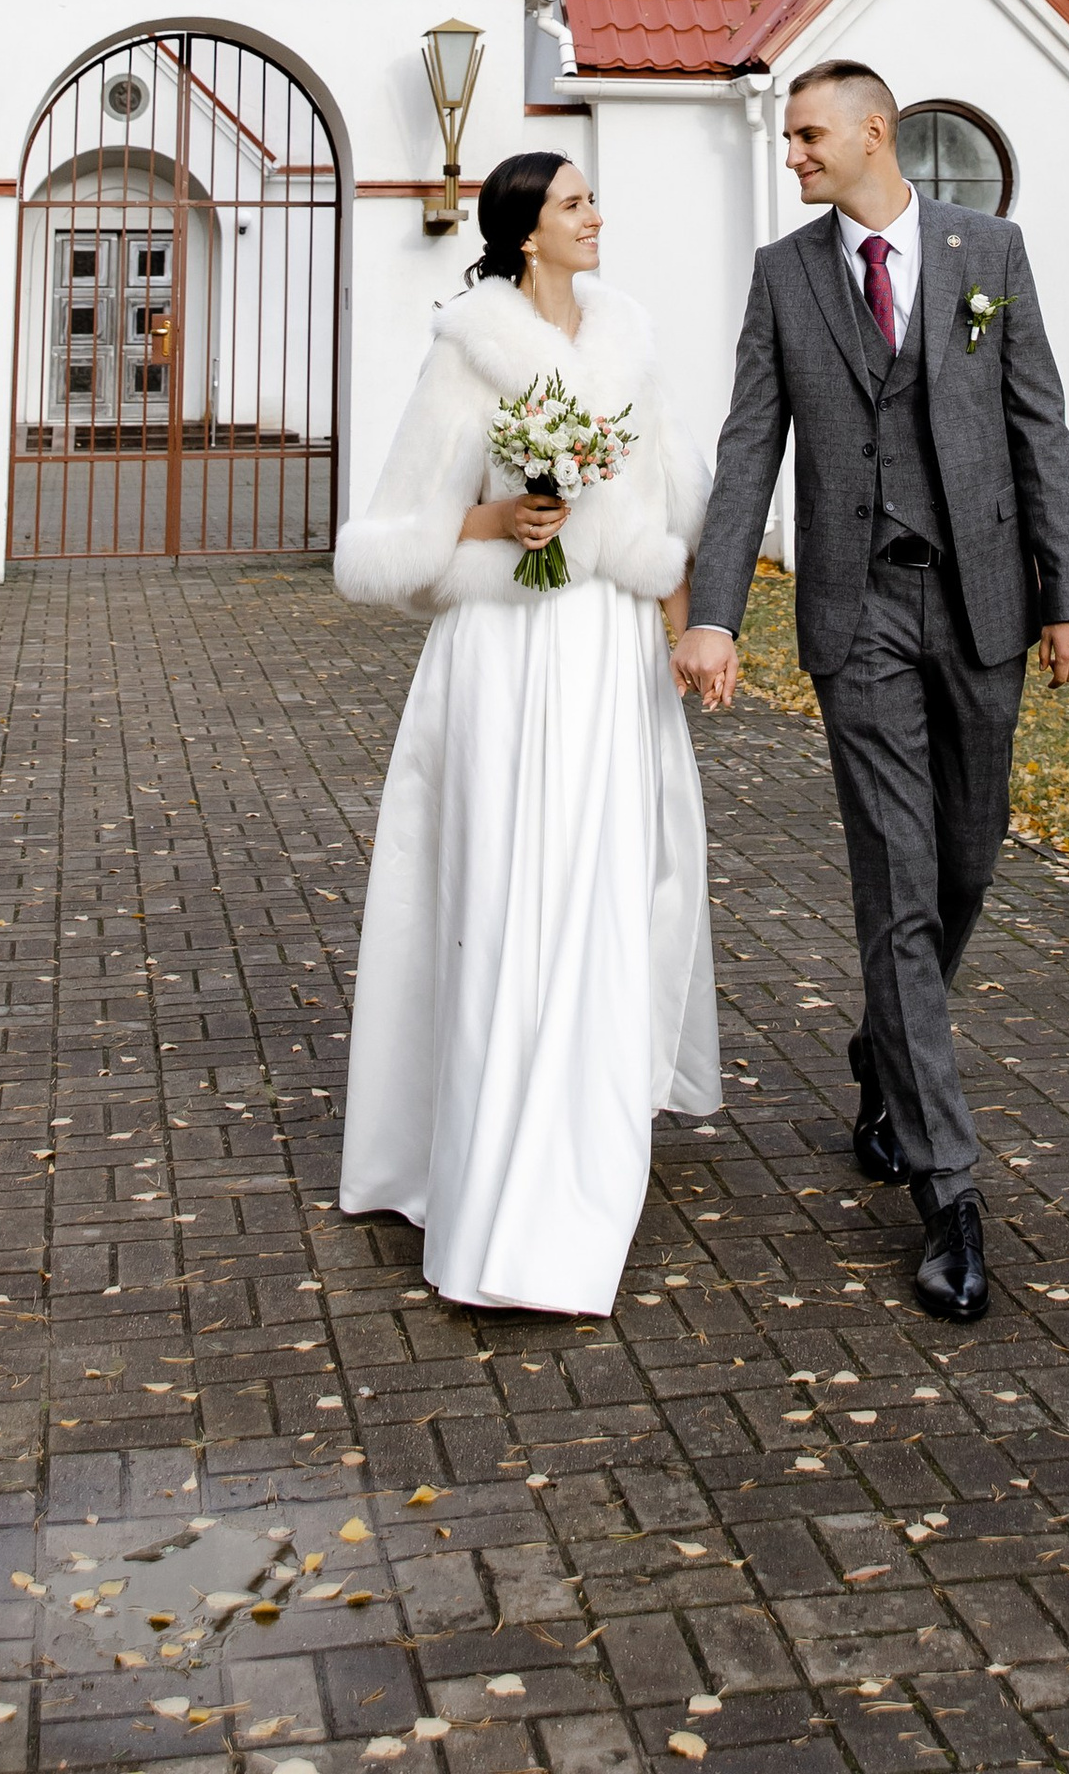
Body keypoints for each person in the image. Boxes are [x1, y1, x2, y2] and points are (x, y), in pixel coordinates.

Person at [674, 60, 1069, 1324]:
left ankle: (881, 1051)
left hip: (981, 607)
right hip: (855, 617)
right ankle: (948, 1191)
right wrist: (712, 611)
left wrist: (1068, 593)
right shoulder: (783, 273)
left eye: (807, 133)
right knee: (897, 885)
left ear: (873, 132)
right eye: (788, 135)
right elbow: (749, 442)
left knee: (966, 865)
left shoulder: (990, 250)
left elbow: (1042, 428)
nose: (791, 152)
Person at [333, 151, 721, 1312]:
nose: (595, 215)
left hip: (605, 650)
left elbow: (662, 499)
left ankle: (582, 1137)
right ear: (521, 231)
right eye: (572, 203)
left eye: (595, 197)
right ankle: (490, 1160)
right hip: (503, 652)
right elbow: (395, 528)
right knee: (504, 887)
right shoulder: (470, 346)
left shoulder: (628, 338)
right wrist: (498, 516)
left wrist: (688, 628)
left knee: (612, 879)